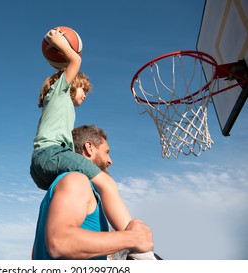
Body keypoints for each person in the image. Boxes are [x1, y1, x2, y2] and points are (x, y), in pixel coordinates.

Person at [30, 27, 131, 235]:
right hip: (51, 155)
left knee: (80, 192)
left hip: (40, 168)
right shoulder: (60, 92)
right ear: (70, 85)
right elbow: (75, 62)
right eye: (83, 89)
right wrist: (60, 43)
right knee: (107, 183)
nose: (84, 94)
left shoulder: (60, 106)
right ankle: (138, 245)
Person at [32, 125, 155, 260]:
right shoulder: (76, 180)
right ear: (89, 148)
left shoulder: (59, 190)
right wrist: (133, 238)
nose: (110, 160)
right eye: (106, 152)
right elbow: (59, 242)